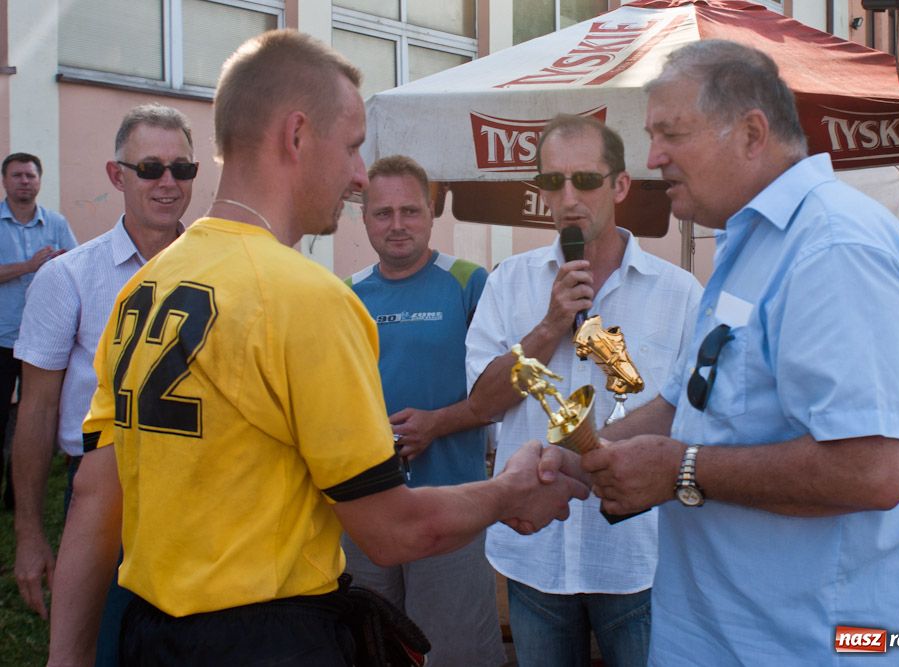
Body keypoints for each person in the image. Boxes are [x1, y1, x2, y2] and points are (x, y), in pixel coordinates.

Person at [46, 29, 587, 667]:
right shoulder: (309, 297)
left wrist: (66, 657)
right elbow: (392, 530)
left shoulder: (144, 287)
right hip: (269, 640)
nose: (359, 175)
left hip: (152, 637)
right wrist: (508, 490)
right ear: (297, 135)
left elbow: (95, 493)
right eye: (353, 146)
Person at [583, 40, 899, 665]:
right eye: (652, 136)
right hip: (737, 636)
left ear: (752, 134)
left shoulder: (833, 249)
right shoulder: (752, 242)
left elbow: (872, 469)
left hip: (822, 643)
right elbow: (685, 405)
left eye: (671, 133)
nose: (653, 158)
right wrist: (577, 462)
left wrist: (682, 471)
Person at [465, 114, 703, 666]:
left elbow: (693, 412)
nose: (569, 198)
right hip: (536, 555)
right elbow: (482, 403)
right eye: (554, 181)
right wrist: (549, 326)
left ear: (619, 186)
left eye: (587, 180)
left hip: (637, 558)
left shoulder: (679, 293)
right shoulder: (509, 282)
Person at [13, 105, 195, 665]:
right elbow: (37, 410)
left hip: (202, 488)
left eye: (182, 169)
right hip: (103, 490)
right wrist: (29, 532)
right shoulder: (68, 276)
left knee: (198, 645)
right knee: (100, 650)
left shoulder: (222, 271)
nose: (168, 183)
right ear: (117, 175)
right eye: (151, 168)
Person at [343, 154, 505, 666]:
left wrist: (438, 424)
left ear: (431, 213)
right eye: (383, 213)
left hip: (451, 508)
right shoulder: (345, 295)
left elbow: (505, 390)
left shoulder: (470, 282)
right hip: (366, 510)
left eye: (409, 211)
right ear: (364, 218)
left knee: (455, 654)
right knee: (371, 649)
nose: (397, 225)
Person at [0, 153, 76, 508]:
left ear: (39, 181)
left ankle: (18, 498)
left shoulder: (56, 223)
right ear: (5, 181)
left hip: (45, 342)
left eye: (30, 176)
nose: (24, 181)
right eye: (17, 175)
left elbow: (76, 265)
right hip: (3, 338)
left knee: (36, 418)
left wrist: (60, 265)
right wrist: (28, 266)